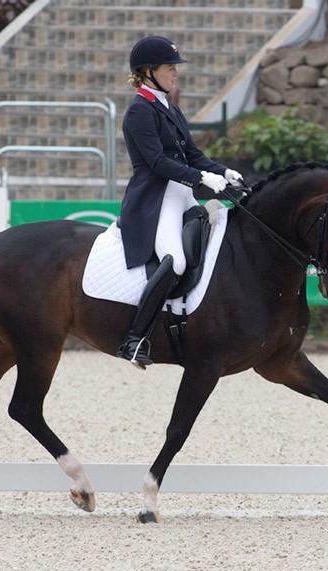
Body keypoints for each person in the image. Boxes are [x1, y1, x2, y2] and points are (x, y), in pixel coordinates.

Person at [116, 35, 244, 369]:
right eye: (169, 67)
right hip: (157, 200)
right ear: (147, 71)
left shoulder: (169, 107)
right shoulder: (139, 112)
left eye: (175, 67)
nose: (176, 73)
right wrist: (202, 179)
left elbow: (193, 154)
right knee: (174, 262)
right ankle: (135, 338)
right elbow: (157, 162)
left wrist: (224, 171)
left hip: (183, 193)